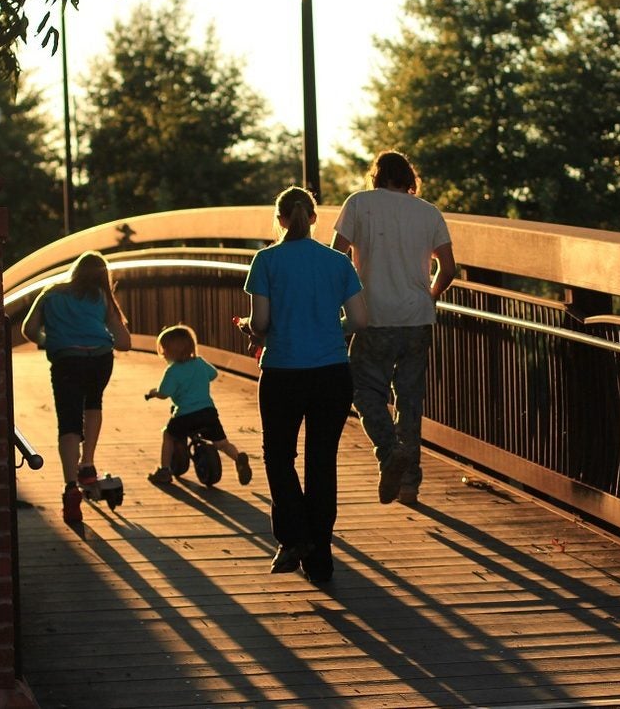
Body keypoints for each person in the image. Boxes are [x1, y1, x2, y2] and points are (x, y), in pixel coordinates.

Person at [238, 186, 367, 583]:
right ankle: (320, 557)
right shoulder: (337, 262)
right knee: (321, 462)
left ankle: (294, 537)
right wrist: (331, 328)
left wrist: (251, 330)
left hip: (283, 372)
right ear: (314, 218)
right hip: (331, 372)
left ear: (279, 219)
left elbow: (260, 323)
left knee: (279, 457)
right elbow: (359, 321)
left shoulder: (266, 260)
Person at [331, 150, 456, 506]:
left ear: (377, 175)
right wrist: (429, 296)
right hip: (417, 319)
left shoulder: (359, 204)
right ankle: (409, 486)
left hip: (374, 316)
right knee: (410, 400)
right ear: (410, 179)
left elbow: (336, 257)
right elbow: (448, 268)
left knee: (363, 390)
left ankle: (389, 452)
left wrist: (343, 301)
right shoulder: (429, 212)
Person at [22, 251, 132, 524]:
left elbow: (28, 328)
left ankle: (71, 485)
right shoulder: (101, 297)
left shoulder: (51, 293)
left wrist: (48, 339)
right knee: (93, 403)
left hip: (66, 359)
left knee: (68, 421)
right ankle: (88, 463)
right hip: (99, 358)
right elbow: (124, 342)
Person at [144, 323, 253, 487]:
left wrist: (154, 393)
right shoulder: (199, 362)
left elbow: (164, 393)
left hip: (185, 415)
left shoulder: (172, 371)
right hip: (208, 412)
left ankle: (164, 470)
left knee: (168, 434)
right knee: (221, 443)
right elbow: (213, 373)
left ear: (169, 351)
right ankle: (238, 459)